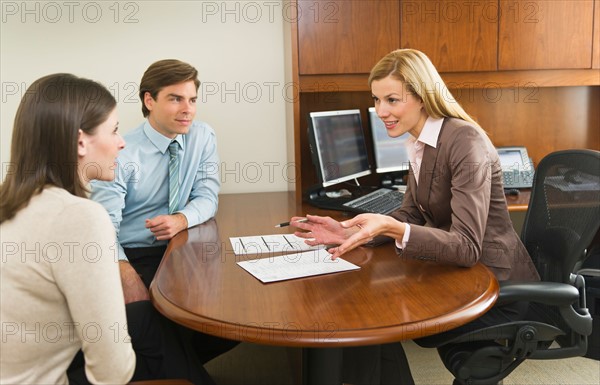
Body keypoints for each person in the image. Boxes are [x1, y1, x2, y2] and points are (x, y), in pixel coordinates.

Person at [289, 49, 541, 384]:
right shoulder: (420, 141)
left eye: (392, 100)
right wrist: (351, 232)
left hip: (495, 286)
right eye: (376, 100)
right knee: (365, 306)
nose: (381, 111)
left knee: (376, 313)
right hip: (459, 274)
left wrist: (394, 228)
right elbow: (411, 211)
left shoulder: (465, 142)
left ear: (423, 96)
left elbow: (466, 246)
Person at [0, 73, 164, 384]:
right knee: (155, 343)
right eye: (114, 130)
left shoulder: (9, 201)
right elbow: (113, 372)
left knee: (145, 320)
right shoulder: (79, 218)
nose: (122, 142)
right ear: (79, 142)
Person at [90, 59, 236, 367]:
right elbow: (103, 228)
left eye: (192, 100)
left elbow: (207, 197)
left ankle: (170, 364)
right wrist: (125, 274)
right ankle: (175, 368)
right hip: (136, 253)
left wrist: (181, 219)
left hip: (184, 246)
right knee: (156, 321)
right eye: (175, 99)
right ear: (149, 100)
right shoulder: (121, 152)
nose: (188, 109)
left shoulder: (202, 137)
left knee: (233, 315)